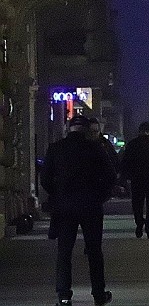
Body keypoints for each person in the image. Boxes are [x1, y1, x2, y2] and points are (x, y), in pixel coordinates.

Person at [41, 113, 115, 306]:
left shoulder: (56, 149)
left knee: (64, 251)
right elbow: (110, 177)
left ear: (69, 128)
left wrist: (58, 193)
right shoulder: (95, 149)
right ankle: (98, 293)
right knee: (94, 250)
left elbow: (45, 179)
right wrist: (100, 196)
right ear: (86, 131)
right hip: (91, 205)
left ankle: (64, 295)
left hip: (65, 207)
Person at [120, 121, 149, 239]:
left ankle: (139, 223)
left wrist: (125, 178)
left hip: (137, 179)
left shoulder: (132, 144)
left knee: (137, 203)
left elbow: (125, 162)